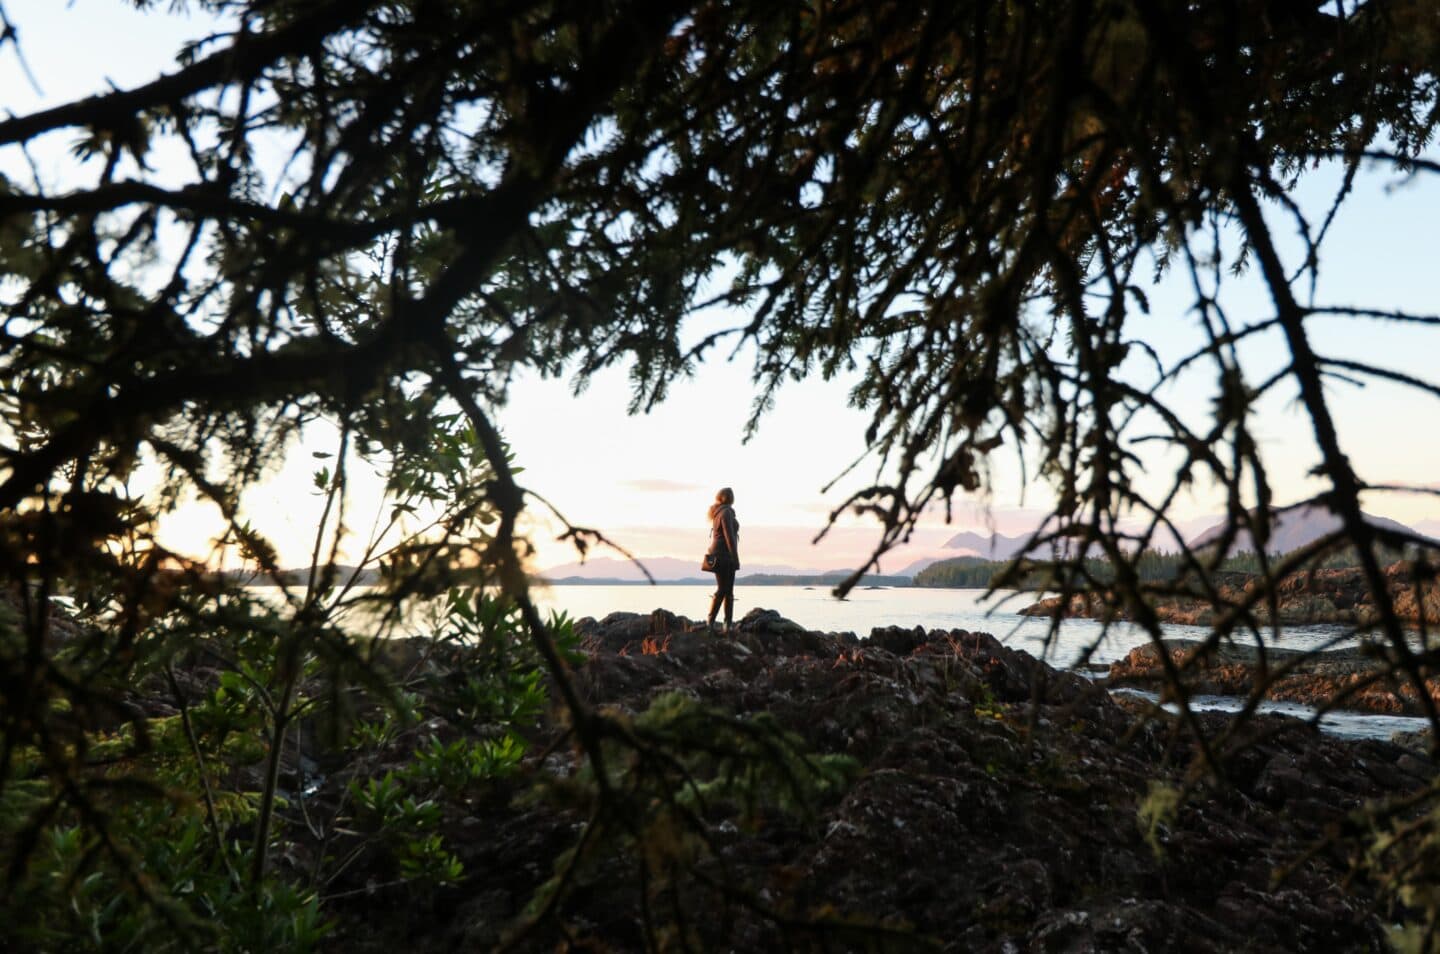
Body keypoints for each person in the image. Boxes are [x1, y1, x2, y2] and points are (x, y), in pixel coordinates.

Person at [705, 487, 740, 632]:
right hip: (724, 555)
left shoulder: (718, 512)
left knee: (725, 589)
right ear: (728, 498)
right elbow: (729, 536)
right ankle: (722, 624)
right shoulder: (725, 512)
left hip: (717, 553)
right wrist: (735, 557)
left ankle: (718, 623)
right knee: (725, 590)